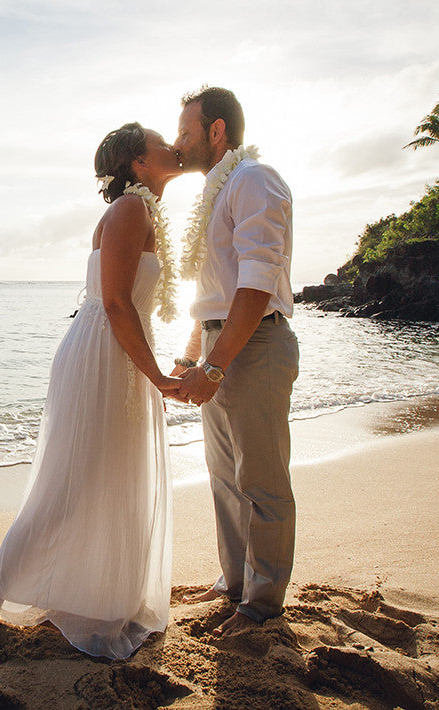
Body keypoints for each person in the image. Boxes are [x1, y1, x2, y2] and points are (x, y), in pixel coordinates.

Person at [0, 123, 182, 660]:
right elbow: (114, 302)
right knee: (69, 482)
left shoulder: (141, 212)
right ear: (138, 163)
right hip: (104, 354)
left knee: (114, 477)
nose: (171, 147)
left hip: (116, 350)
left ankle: (107, 596)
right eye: (161, 141)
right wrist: (156, 376)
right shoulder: (131, 211)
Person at [170, 86, 299, 637]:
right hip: (224, 343)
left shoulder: (254, 180)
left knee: (262, 480)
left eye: (184, 132)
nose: (178, 143)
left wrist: (218, 366)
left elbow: (255, 282)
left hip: (257, 346)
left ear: (216, 131)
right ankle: (236, 582)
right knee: (224, 475)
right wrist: (190, 357)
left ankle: (264, 603)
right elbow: (213, 297)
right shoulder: (213, 195)